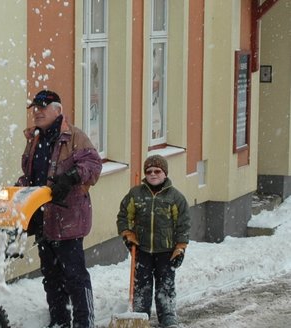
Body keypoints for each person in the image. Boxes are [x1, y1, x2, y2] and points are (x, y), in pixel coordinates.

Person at [16, 90, 102, 328]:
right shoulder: (34, 139)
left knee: (74, 276)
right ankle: (59, 322)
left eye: (43, 107)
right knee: (52, 277)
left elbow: (93, 165)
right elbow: (31, 176)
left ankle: (84, 323)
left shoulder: (74, 137)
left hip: (68, 218)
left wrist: (72, 176)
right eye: (35, 107)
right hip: (43, 219)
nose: (37, 111)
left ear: (58, 110)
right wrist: (18, 191)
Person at [116, 155, 191, 328]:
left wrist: (180, 247)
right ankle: (141, 315)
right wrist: (128, 234)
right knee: (141, 284)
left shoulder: (175, 197)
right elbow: (124, 216)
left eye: (157, 171)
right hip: (142, 249)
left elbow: (183, 224)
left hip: (167, 250)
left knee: (166, 284)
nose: (153, 174)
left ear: (165, 173)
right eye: (149, 171)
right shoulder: (136, 194)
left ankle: (168, 316)